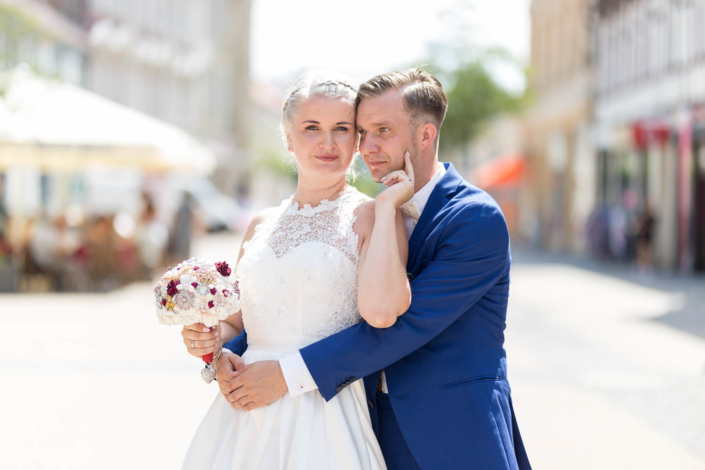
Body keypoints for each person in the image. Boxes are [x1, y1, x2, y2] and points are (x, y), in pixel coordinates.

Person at [193, 68, 531, 470]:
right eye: (363, 131)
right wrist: (225, 355)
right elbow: (283, 311)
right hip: (368, 427)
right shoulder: (371, 211)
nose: (366, 145)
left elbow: (398, 327)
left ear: (424, 136)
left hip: (453, 436)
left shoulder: (473, 219)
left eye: (381, 130)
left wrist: (285, 376)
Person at [180, 71, 415, 469]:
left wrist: (389, 206)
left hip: (324, 417)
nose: (327, 143)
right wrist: (211, 345)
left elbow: (383, 314)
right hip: (244, 415)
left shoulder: (375, 216)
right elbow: (237, 325)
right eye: (311, 128)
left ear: (356, 142)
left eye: (341, 129)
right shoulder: (258, 224)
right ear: (288, 138)